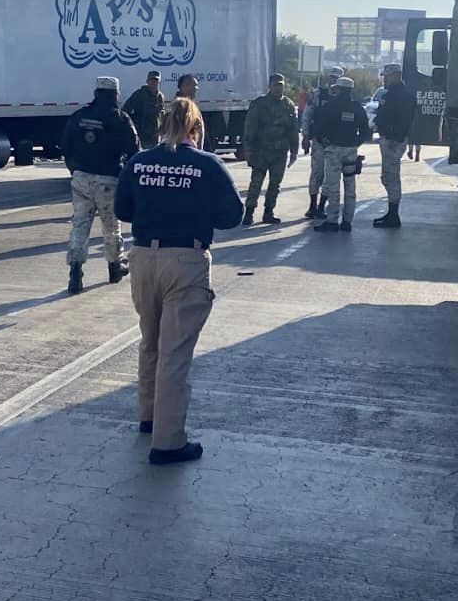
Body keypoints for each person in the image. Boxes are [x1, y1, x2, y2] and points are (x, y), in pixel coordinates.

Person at [114, 98, 244, 465]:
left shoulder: (139, 162)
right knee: (175, 353)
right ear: (196, 129)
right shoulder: (207, 165)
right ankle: (168, 443)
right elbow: (233, 215)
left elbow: (123, 210)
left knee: (150, 341)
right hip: (185, 260)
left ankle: (149, 416)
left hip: (143, 260)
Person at [61, 76, 141, 294]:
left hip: (81, 179)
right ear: (115, 94)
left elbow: (65, 145)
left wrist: (74, 170)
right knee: (110, 226)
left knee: (80, 225)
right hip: (108, 179)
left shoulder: (79, 116)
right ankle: (115, 267)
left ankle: (75, 271)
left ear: (96, 93)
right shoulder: (121, 119)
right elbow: (135, 151)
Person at [313, 76, 372, 233]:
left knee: (333, 186)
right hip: (351, 151)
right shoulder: (357, 107)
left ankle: (332, 220)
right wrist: (355, 143)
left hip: (333, 150)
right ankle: (347, 221)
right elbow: (366, 131)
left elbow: (319, 127)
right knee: (350, 186)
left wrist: (324, 140)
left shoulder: (331, 106)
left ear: (339, 89)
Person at [241, 73, 300, 225]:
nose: (278, 88)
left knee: (275, 184)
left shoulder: (288, 104)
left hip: (280, 152)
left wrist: (294, 150)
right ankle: (249, 212)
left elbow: (293, 129)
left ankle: (269, 212)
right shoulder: (259, 104)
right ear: (269, 86)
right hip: (261, 151)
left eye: (280, 85)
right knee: (256, 183)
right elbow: (250, 127)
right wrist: (248, 149)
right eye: (275, 85)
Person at [373, 63, 416, 228]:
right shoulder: (391, 94)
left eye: (387, 76)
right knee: (387, 177)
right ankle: (391, 213)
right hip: (388, 138)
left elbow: (404, 121)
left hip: (393, 141)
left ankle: (393, 215)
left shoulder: (403, 96)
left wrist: (395, 137)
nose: (385, 79)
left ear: (396, 76)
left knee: (391, 177)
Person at [301, 66, 344, 218]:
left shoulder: (344, 97)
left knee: (330, 176)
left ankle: (321, 206)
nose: (334, 81)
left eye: (337, 78)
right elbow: (307, 115)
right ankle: (312, 205)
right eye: (332, 77)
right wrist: (305, 136)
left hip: (335, 143)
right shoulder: (318, 95)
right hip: (319, 141)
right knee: (316, 174)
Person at [123, 71, 166, 149]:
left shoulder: (161, 97)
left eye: (156, 81)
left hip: (154, 138)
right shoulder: (139, 94)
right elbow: (125, 111)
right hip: (141, 137)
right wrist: (133, 125)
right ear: (147, 81)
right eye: (151, 80)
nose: (154, 83)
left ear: (159, 82)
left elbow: (162, 114)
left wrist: (161, 130)